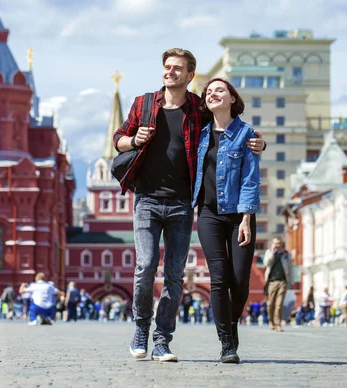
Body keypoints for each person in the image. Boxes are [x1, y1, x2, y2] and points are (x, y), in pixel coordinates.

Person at [114, 49, 265, 363]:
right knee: (145, 267)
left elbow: (229, 126)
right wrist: (135, 140)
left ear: (189, 75)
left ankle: (162, 341)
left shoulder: (199, 108)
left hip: (183, 203)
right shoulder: (143, 104)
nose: (170, 72)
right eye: (167, 67)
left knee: (174, 275)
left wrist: (258, 143)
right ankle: (141, 329)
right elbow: (119, 139)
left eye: (177, 68)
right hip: (147, 199)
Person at [193, 77, 261, 363]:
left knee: (240, 281)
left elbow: (250, 178)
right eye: (208, 92)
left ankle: (231, 324)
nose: (213, 94)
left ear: (233, 98)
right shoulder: (199, 133)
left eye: (219, 90)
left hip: (239, 215)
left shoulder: (247, 134)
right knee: (218, 280)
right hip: (208, 213)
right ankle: (226, 344)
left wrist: (246, 218)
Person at [261, 237, 293, 332]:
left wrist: (290, 283)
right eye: (275, 243)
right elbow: (266, 263)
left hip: (282, 281)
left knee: (279, 304)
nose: (277, 245)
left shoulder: (286, 254)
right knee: (270, 304)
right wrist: (272, 252)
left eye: (279, 243)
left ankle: (278, 324)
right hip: (271, 282)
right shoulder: (269, 253)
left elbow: (290, 269)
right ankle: (271, 322)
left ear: (281, 244)